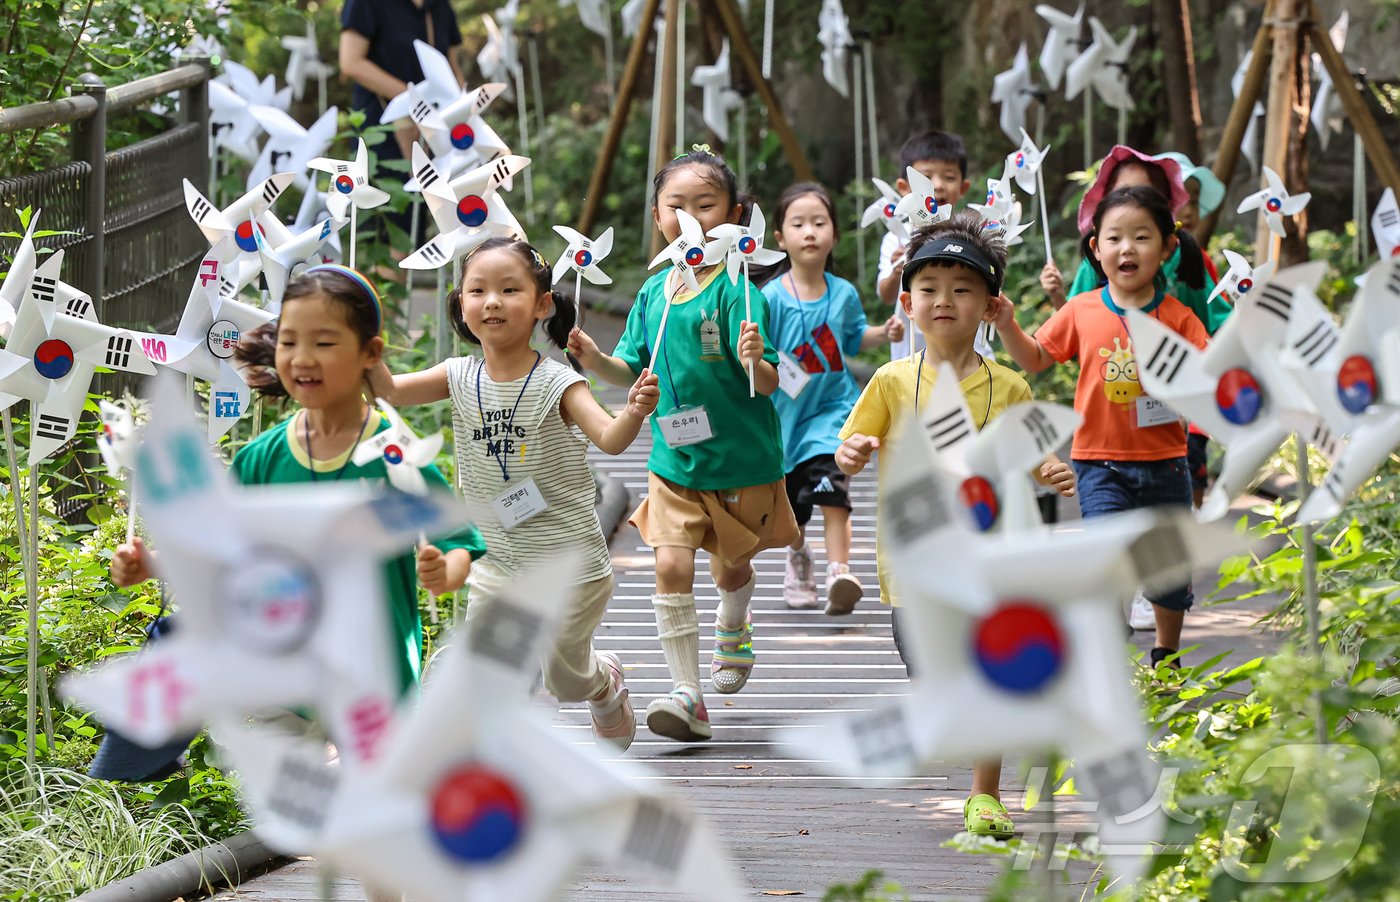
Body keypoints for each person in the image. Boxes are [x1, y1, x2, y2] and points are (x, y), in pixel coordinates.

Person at [111, 264, 484, 696]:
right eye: (288, 342)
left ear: (370, 352)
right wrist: (151, 564)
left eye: (324, 342)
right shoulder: (261, 459)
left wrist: (444, 574)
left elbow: (458, 541)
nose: (303, 357)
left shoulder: (396, 455)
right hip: (287, 677)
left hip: (377, 679)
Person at [836, 212, 1076, 839]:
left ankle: (985, 793)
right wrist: (852, 452)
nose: (945, 300)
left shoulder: (1010, 384)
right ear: (907, 302)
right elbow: (852, 441)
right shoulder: (890, 380)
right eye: (930, 288)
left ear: (991, 305)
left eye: (962, 289)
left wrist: (1048, 469)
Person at [369, 238, 659, 754]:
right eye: (477, 290)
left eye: (509, 289)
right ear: (460, 304)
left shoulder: (559, 382)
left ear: (542, 304)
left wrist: (635, 410)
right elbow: (388, 390)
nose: (492, 301)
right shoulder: (457, 374)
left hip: (570, 562)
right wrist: (361, 339)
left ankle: (603, 682)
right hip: (496, 559)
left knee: (565, 681)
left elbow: (612, 440)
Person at [568, 147, 799, 743]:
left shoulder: (741, 290)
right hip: (674, 458)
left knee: (732, 569)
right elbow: (630, 366)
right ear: (657, 216)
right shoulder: (654, 293)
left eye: (707, 204)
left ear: (736, 214)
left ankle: (734, 618)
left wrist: (755, 358)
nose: (691, 216)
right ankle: (687, 693)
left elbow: (768, 380)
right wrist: (597, 361)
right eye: (677, 205)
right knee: (669, 564)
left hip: (742, 458)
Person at [995, 186, 1210, 671]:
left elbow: (1207, 373)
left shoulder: (1179, 318)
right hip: (1099, 465)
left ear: (1168, 248)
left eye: (1141, 237)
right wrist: (1009, 323)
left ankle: (1166, 654)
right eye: (1113, 237)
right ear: (1096, 249)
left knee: (1169, 571)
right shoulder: (1081, 310)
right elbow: (1035, 359)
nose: (1126, 248)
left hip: (1167, 464)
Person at [759, 181, 902, 614]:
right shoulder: (768, 298)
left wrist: (886, 332)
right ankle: (799, 557)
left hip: (834, 413)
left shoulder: (842, 293)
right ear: (780, 238)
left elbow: (855, 339)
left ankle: (839, 571)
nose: (810, 232)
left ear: (834, 235)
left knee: (834, 490)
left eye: (819, 223)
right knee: (794, 511)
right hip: (785, 421)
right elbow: (762, 357)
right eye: (798, 223)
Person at [1040, 146, 1225, 335]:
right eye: (1121, 194)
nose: (1130, 205)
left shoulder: (1186, 258)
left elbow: (1219, 327)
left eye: (1143, 196)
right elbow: (1073, 333)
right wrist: (1057, 297)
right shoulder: (1099, 260)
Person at [875, 129, 993, 360]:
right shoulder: (896, 238)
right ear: (904, 188)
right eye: (926, 178)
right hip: (911, 356)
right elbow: (886, 295)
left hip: (970, 356)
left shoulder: (973, 235)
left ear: (963, 187)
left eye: (949, 177)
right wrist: (896, 271)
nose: (937, 186)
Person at [339, 0, 465, 164]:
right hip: (381, 133)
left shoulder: (440, 5)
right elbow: (351, 63)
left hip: (438, 134)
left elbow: (452, 68)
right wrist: (417, 102)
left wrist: (463, 113)